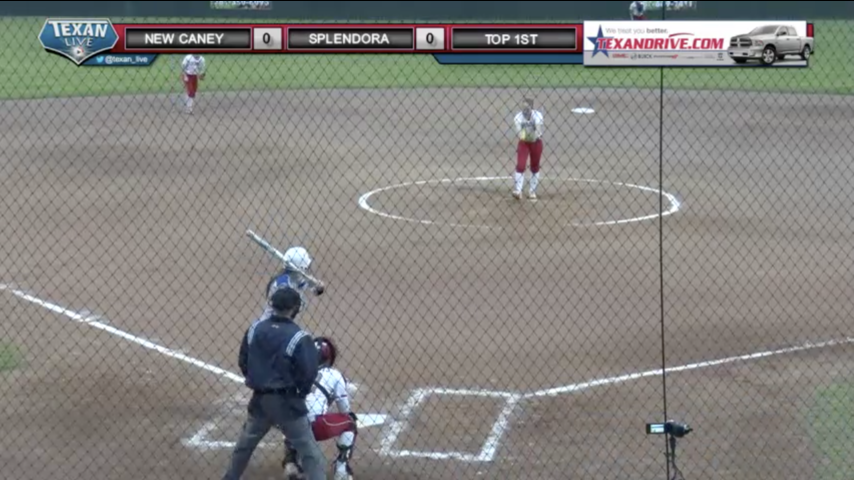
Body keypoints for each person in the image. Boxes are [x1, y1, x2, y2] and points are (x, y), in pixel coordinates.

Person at [222, 287, 327, 480]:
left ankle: (230, 478)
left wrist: (258, 380)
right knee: (309, 451)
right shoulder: (300, 337)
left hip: (260, 400)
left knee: (245, 445)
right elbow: (308, 372)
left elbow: (243, 361)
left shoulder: (255, 329)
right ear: (294, 309)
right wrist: (300, 393)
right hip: (287, 402)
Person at [282, 337, 358, 480]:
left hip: (292, 426)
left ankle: (291, 462)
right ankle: (341, 469)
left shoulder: (296, 370)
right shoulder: (334, 375)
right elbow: (344, 410)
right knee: (350, 422)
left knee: (288, 415)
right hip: (317, 427)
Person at [261, 246, 325, 322]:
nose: (308, 268)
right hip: (271, 325)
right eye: (306, 266)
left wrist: (319, 288)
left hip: (283, 323)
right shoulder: (283, 285)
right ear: (301, 268)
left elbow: (314, 290)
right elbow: (290, 309)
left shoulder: (297, 277)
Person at [512, 98, 545, 201]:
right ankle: (518, 191)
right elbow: (521, 134)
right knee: (520, 165)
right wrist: (526, 136)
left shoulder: (538, 116)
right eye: (523, 108)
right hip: (524, 143)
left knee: (535, 166)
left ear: (531, 108)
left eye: (527, 108)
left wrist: (532, 136)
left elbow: (537, 133)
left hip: (536, 142)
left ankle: (532, 191)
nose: (525, 111)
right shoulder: (517, 118)